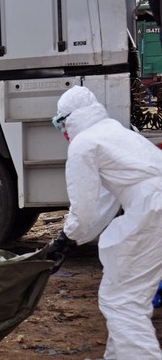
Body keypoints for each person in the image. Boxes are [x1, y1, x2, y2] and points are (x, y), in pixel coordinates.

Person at [45, 85, 162, 359]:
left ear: (70, 119)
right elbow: (106, 202)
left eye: (59, 123)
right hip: (153, 206)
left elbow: (85, 205)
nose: (61, 131)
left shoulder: (84, 145)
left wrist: (68, 236)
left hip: (151, 210)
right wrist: (72, 237)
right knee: (123, 295)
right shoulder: (115, 133)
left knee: (122, 302)